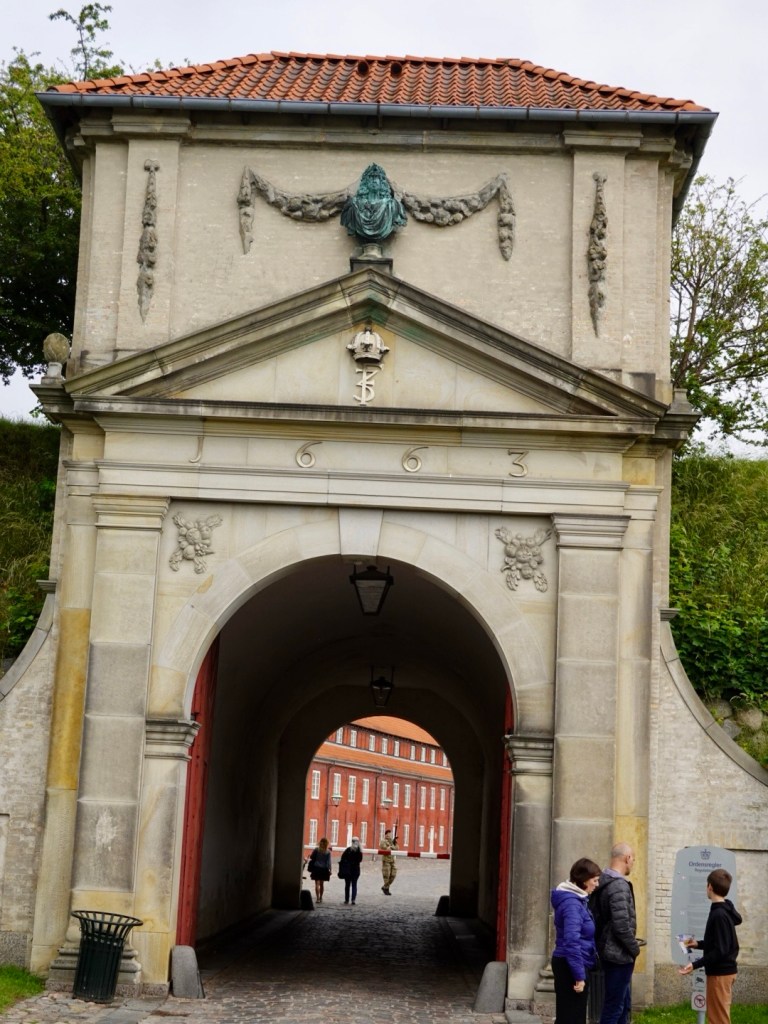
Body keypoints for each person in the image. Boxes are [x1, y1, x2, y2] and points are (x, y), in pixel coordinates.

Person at [678, 868, 741, 1024]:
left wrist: (694, 964)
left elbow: (720, 950)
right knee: (717, 1017)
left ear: (710, 887)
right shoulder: (724, 909)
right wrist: (698, 944)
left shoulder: (719, 914)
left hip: (720, 974)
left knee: (718, 1020)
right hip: (722, 973)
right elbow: (719, 943)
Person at [593, 842, 641, 1024]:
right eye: (633, 859)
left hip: (611, 951)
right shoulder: (619, 886)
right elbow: (621, 926)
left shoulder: (603, 881)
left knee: (622, 1005)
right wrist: (634, 949)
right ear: (627, 858)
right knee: (614, 1008)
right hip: (618, 955)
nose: (633, 863)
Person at [551, 858, 601, 1024]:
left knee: (570, 1016)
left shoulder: (577, 900)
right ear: (584, 880)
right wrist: (579, 976)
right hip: (571, 965)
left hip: (572, 963)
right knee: (572, 1018)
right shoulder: (572, 904)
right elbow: (572, 942)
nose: (597, 884)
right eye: (595, 880)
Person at [339, 836, 363, 905]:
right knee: (354, 885)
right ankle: (353, 900)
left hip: (348, 870)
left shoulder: (348, 850)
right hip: (356, 870)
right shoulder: (359, 851)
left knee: (347, 885)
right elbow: (360, 860)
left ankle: (346, 900)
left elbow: (342, 858)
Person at [307, 837, 332, 903]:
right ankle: (321, 898)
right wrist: (330, 870)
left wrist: (310, 855)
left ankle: (317, 898)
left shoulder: (316, 850)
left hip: (316, 868)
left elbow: (312, 857)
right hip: (324, 869)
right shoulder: (328, 852)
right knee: (322, 884)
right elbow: (329, 862)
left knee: (317, 884)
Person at [380, 828, 398, 894]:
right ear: (385, 835)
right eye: (387, 834)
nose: (388, 835)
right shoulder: (383, 841)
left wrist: (395, 843)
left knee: (393, 874)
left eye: (389, 834)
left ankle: (385, 886)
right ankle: (386, 889)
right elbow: (386, 849)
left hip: (392, 860)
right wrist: (392, 847)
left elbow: (397, 848)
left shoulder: (392, 842)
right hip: (386, 860)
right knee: (386, 876)